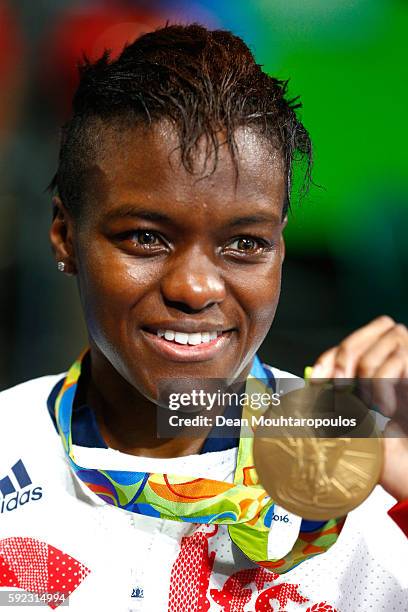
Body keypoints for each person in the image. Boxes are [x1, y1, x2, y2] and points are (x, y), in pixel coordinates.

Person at [0, 23, 407, 612]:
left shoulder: (371, 469)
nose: (195, 287)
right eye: (145, 237)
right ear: (65, 234)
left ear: (281, 249)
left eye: (245, 244)